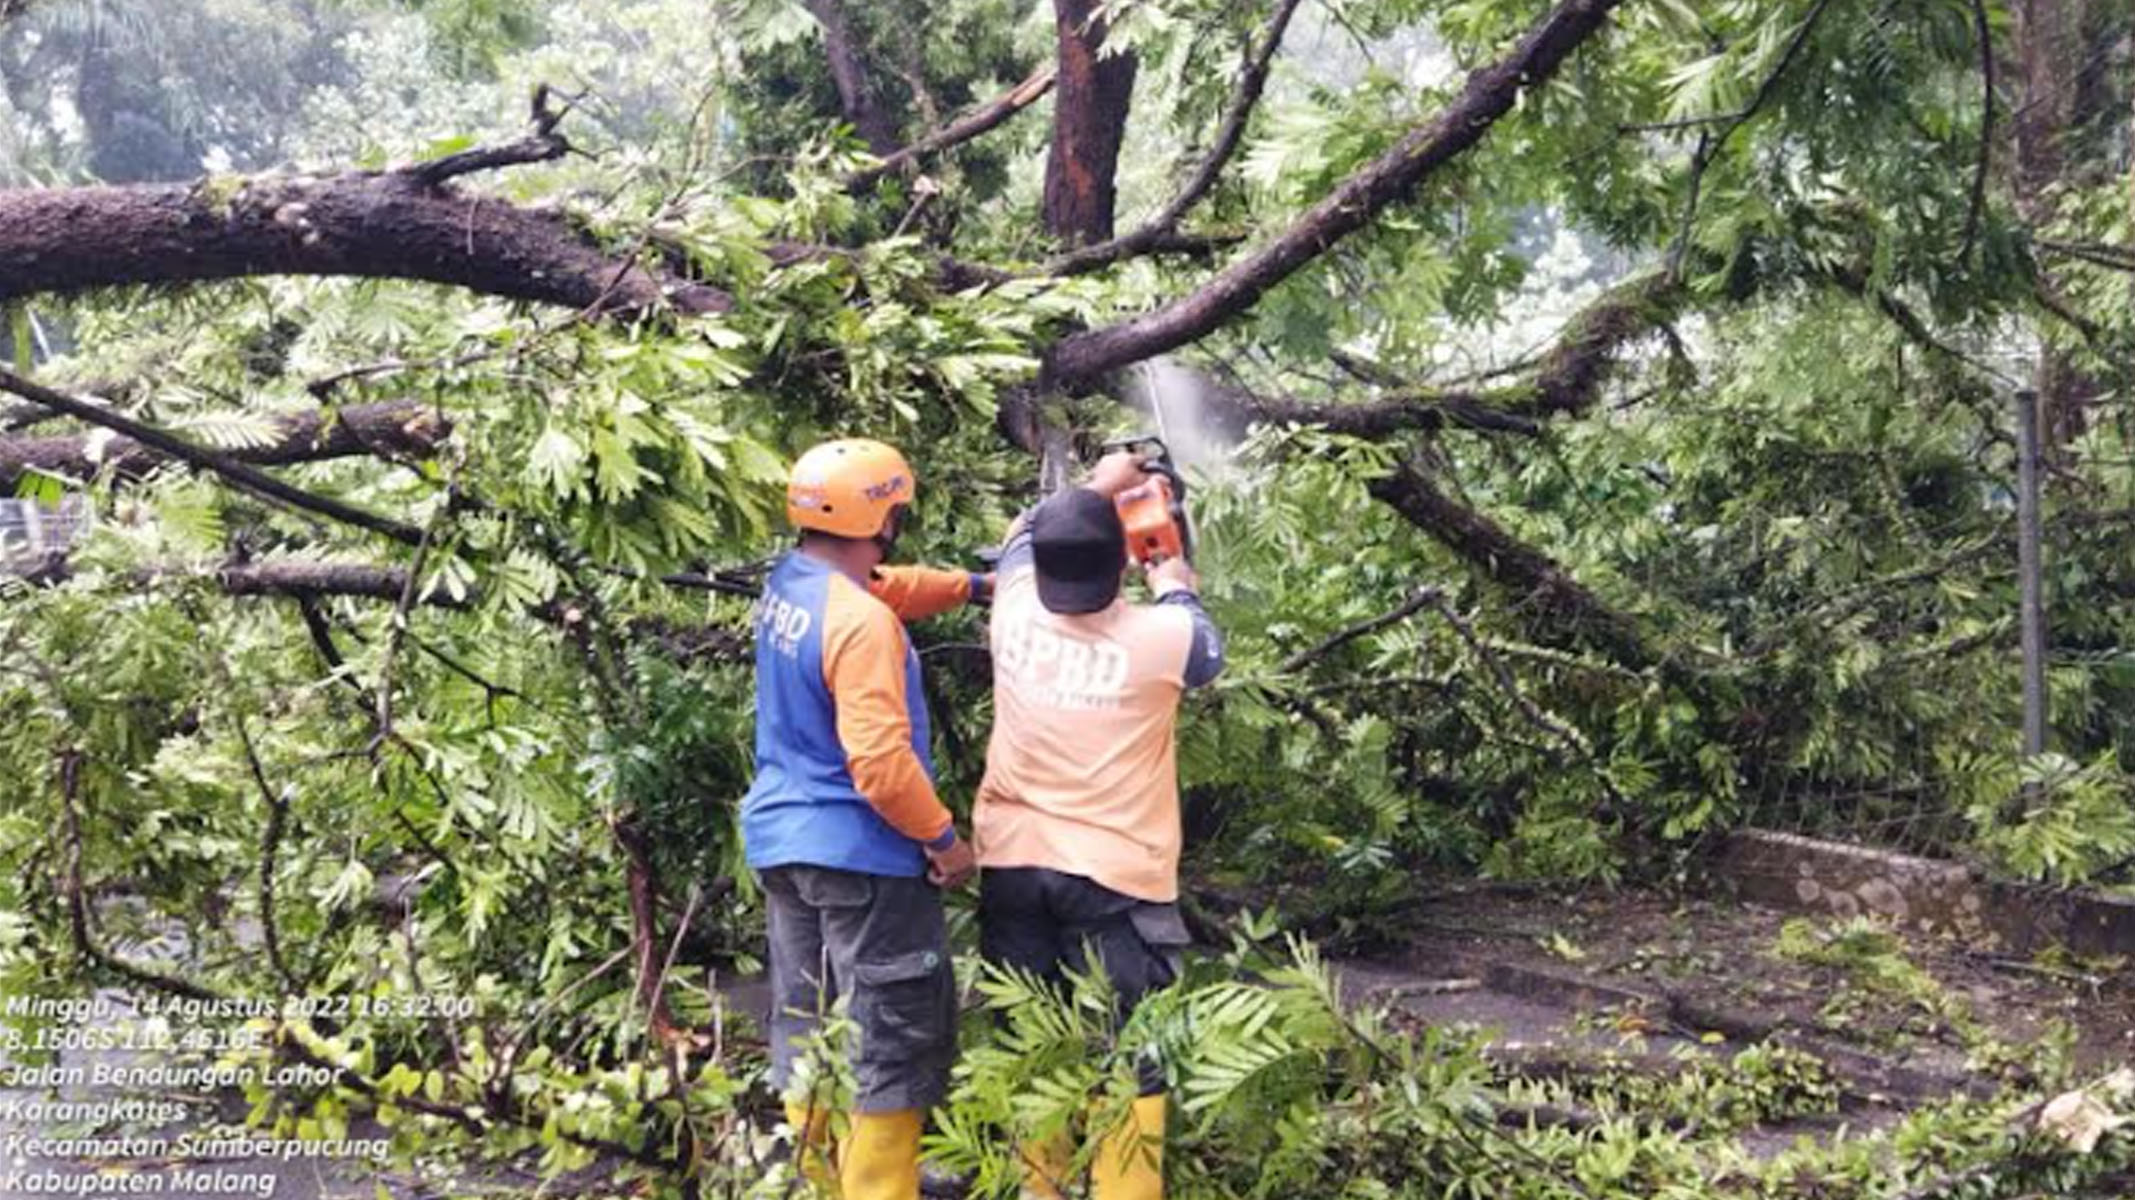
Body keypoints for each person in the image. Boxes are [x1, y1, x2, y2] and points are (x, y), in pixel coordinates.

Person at [972, 450, 1226, 1200]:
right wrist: (1173, 578)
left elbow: (1025, 534)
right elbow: (1204, 643)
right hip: (1116, 880)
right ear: (1121, 562)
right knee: (1132, 1053)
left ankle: (1039, 1189)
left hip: (1013, 866)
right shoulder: (1164, 639)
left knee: (1032, 1048)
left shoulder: (1011, 608)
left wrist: (1096, 482)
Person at [741, 437, 986, 1200]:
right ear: (883, 516)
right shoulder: (862, 626)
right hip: (865, 859)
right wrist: (944, 842)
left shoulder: (793, 584)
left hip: (785, 848)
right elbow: (879, 766)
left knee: (809, 1025)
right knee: (891, 1044)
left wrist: (976, 587)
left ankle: (820, 1183)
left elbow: (885, 588)